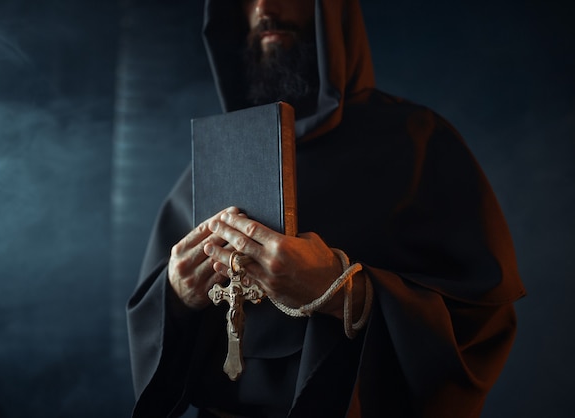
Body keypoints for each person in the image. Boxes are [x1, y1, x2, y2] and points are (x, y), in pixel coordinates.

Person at [127, 0, 526, 417]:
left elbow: (480, 325)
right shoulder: (213, 161)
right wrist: (176, 294)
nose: (264, 7)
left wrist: (342, 291)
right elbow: (157, 330)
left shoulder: (420, 142)